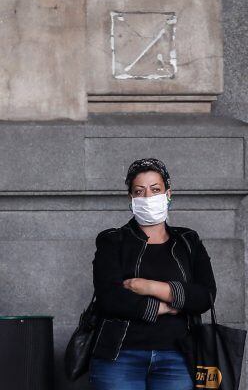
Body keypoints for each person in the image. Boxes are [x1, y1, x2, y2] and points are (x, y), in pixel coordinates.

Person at [89, 158, 217, 390]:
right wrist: (166, 307)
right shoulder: (112, 241)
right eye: (140, 191)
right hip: (119, 356)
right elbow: (109, 297)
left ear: (168, 193)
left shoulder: (188, 241)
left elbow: (205, 295)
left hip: (177, 357)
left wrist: (148, 287)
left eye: (155, 189)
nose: (148, 197)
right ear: (131, 198)